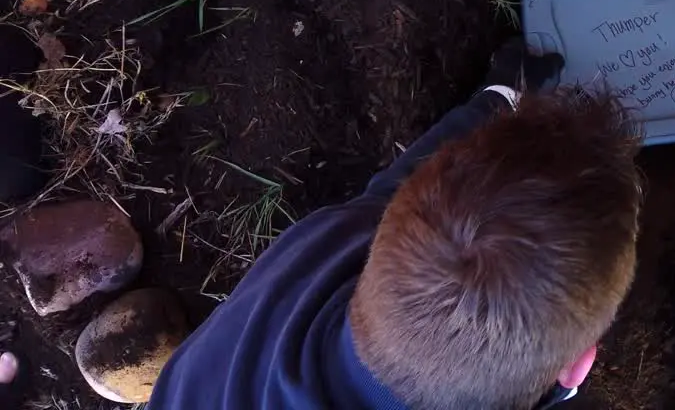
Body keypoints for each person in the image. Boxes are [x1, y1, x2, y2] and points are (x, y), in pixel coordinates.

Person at [148, 40, 644, 409]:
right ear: (576, 366)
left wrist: (499, 97)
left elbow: (403, 183)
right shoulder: (339, 237)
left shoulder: (323, 247)